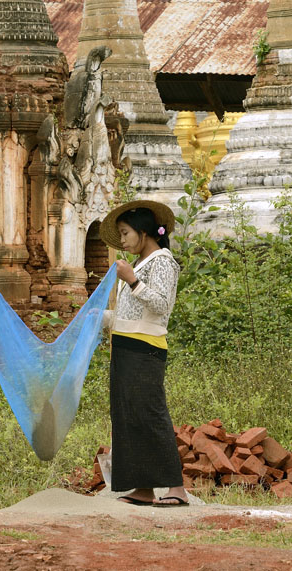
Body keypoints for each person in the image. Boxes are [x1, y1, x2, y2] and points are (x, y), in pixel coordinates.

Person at [99, 199, 187, 507]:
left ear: (143, 231)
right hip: (127, 348)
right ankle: (143, 488)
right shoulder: (139, 266)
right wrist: (99, 318)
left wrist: (132, 280)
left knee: (150, 416)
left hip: (145, 350)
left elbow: (161, 305)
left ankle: (176, 488)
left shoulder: (162, 261)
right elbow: (131, 315)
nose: (122, 241)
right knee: (129, 417)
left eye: (125, 234)